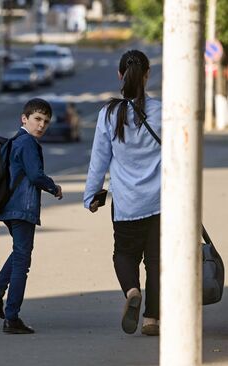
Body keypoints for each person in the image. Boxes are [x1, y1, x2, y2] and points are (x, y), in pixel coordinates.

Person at [83, 49, 161, 336]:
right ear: (148, 74)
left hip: (126, 201)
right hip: (160, 201)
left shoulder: (109, 113)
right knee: (156, 260)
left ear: (120, 75)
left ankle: (131, 291)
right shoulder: (164, 112)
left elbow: (98, 160)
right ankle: (152, 319)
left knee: (124, 254)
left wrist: (91, 195)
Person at [0, 98, 63, 334]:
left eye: (46, 122)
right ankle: (11, 316)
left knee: (19, 253)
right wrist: (54, 187)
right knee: (22, 262)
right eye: (37, 119)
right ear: (24, 118)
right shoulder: (27, 142)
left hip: (10, 207)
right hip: (22, 208)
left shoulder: (17, 140)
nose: (42, 125)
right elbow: (35, 175)